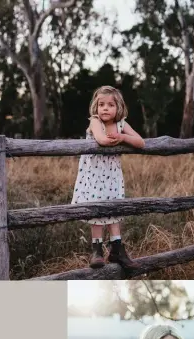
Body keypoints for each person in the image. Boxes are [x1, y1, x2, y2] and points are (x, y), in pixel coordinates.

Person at [71, 86, 145, 270]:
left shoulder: (121, 125)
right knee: (97, 210)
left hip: (112, 175)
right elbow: (102, 140)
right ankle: (96, 250)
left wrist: (123, 137)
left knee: (114, 209)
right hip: (94, 175)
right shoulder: (95, 121)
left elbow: (140, 142)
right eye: (101, 104)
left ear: (118, 107)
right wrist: (117, 139)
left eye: (110, 105)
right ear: (95, 107)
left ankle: (117, 249)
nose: (105, 108)